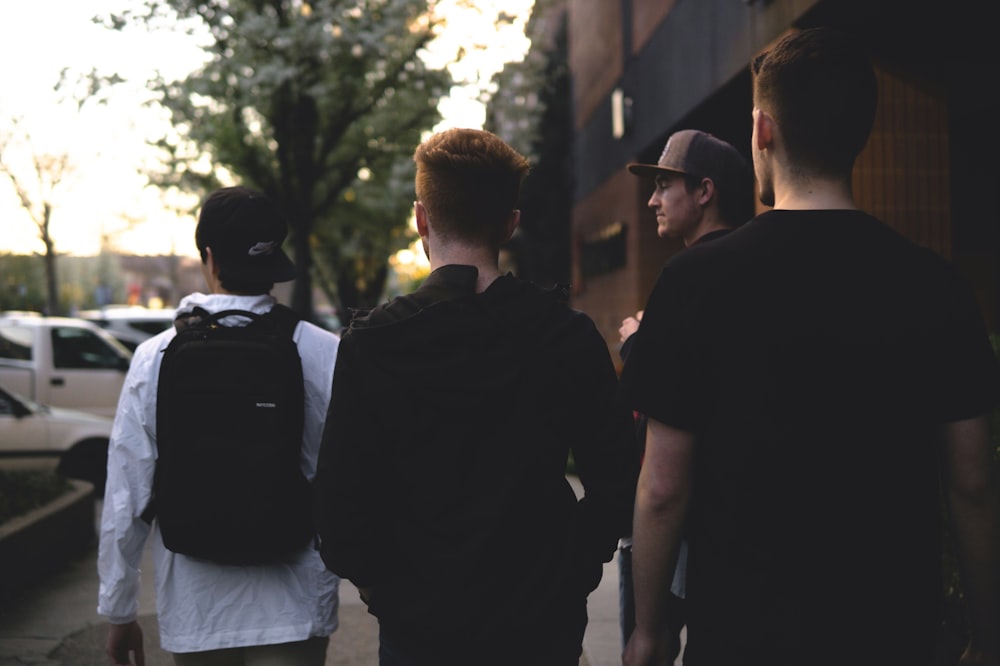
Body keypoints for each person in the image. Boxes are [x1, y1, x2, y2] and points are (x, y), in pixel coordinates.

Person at [621, 27, 1000, 666]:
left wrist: (650, 632)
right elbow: (972, 482)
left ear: (762, 130)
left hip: (741, 638)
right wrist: (989, 637)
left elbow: (661, 487)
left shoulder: (692, 282)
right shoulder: (936, 283)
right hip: (893, 633)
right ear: (861, 130)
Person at [312, 127, 638, 666]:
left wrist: (388, 592)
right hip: (541, 628)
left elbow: (339, 508)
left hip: (420, 632)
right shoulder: (566, 335)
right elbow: (618, 484)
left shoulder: (374, 344)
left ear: (421, 219)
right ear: (510, 224)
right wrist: (569, 569)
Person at [97, 186, 341, 666]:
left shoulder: (155, 358)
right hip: (294, 603)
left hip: (195, 608)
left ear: (208, 257)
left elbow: (126, 494)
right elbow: (348, 480)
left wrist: (119, 609)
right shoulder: (323, 350)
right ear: (274, 258)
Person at [616, 129, 753, 659]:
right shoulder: (756, 268)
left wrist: (639, 347)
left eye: (664, 184)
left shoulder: (687, 275)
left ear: (704, 192)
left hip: (692, 529)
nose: (652, 199)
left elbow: (664, 477)